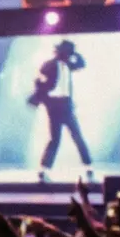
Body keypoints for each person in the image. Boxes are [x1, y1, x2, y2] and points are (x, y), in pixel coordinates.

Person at [29, 40, 91, 182]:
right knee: (55, 138)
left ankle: (88, 164)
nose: (69, 56)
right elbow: (39, 83)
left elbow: (81, 64)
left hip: (66, 105)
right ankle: (44, 168)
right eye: (68, 52)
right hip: (55, 105)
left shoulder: (69, 65)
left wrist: (75, 53)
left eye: (70, 53)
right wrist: (45, 101)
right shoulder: (49, 65)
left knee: (77, 135)